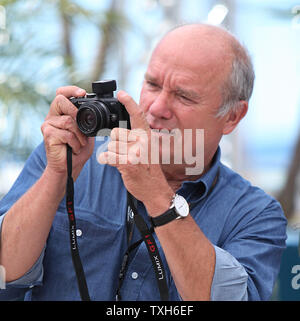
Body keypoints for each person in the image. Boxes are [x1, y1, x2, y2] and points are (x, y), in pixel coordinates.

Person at [0, 23, 286, 301]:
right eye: (152, 84)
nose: (157, 108)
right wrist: (56, 177)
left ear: (232, 116)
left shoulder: (256, 215)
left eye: (184, 96)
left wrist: (156, 194)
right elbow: (5, 275)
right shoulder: (71, 155)